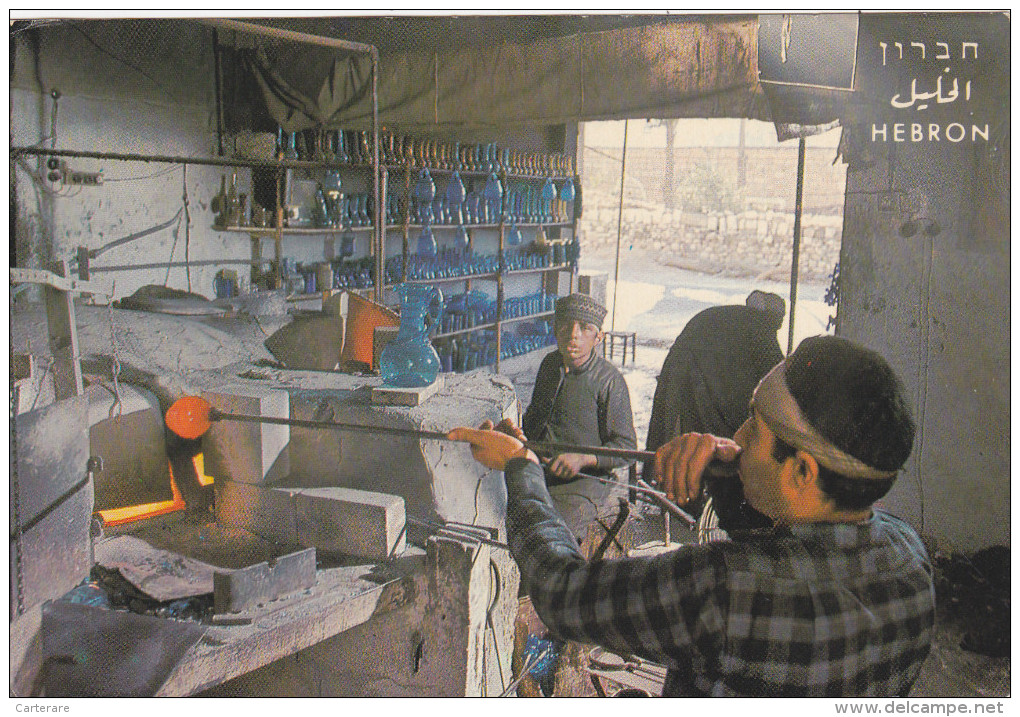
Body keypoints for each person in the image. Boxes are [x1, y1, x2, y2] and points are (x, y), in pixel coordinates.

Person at [451, 335, 934, 697]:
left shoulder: (723, 590)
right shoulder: (910, 557)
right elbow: (794, 549)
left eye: (755, 427)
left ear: (803, 470)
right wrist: (733, 476)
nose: (736, 435)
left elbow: (561, 593)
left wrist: (521, 469)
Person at [645, 289, 786, 529]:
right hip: (695, 374)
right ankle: (694, 504)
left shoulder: (734, 317)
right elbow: (776, 376)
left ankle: (686, 501)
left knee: (692, 438)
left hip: (688, 368)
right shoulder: (761, 326)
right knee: (707, 442)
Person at [515, 292, 637, 482]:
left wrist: (582, 459)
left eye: (585, 328)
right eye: (566, 325)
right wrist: (517, 430)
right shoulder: (550, 364)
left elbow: (627, 448)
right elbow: (536, 416)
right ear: (555, 330)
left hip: (584, 479)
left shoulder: (609, 380)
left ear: (599, 338)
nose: (573, 334)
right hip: (539, 469)